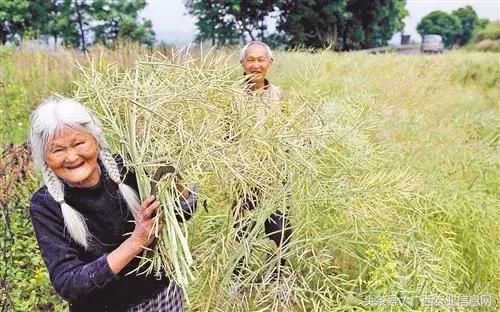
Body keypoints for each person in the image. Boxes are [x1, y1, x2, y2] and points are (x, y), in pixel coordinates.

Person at [28, 97, 197, 311]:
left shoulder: (128, 167)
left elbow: (184, 212)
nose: (71, 157)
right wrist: (137, 240)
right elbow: (70, 283)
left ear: (96, 142)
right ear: (45, 157)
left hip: (163, 297)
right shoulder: (45, 205)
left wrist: (180, 175)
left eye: (79, 143)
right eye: (57, 150)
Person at [232, 41, 292, 279]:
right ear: (242, 64)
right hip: (244, 177)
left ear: (270, 63)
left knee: (280, 229)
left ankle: (276, 280)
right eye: (250, 60)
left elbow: (291, 132)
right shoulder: (231, 96)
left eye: (261, 60)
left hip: (275, 177)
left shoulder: (280, 96)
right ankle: (237, 278)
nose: (255, 65)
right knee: (242, 230)